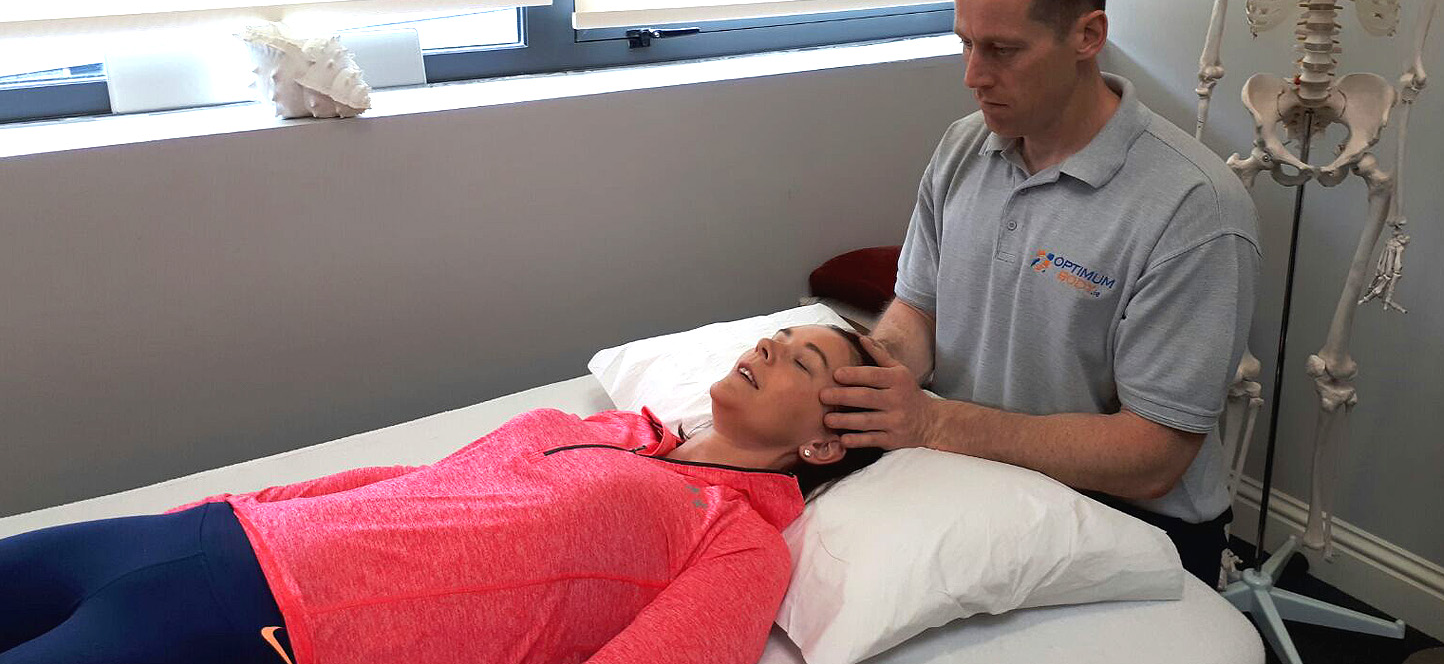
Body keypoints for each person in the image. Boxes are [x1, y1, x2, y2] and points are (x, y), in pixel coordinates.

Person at [0, 325, 883, 664]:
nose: (769, 349)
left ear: (821, 442)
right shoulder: (619, 430)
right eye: (776, 336)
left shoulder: (739, 541)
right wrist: (249, 503)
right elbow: (420, 486)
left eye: (801, 360)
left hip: (269, 629)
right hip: (203, 540)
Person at [821, 0, 1260, 588]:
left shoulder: (1195, 209)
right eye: (966, 44)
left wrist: (934, 420)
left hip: (1129, 518)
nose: (973, 76)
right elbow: (919, 309)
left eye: (1002, 50)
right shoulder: (965, 147)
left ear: (1088, 36)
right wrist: (871, 374)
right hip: (975, 472)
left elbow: (1153, 456)